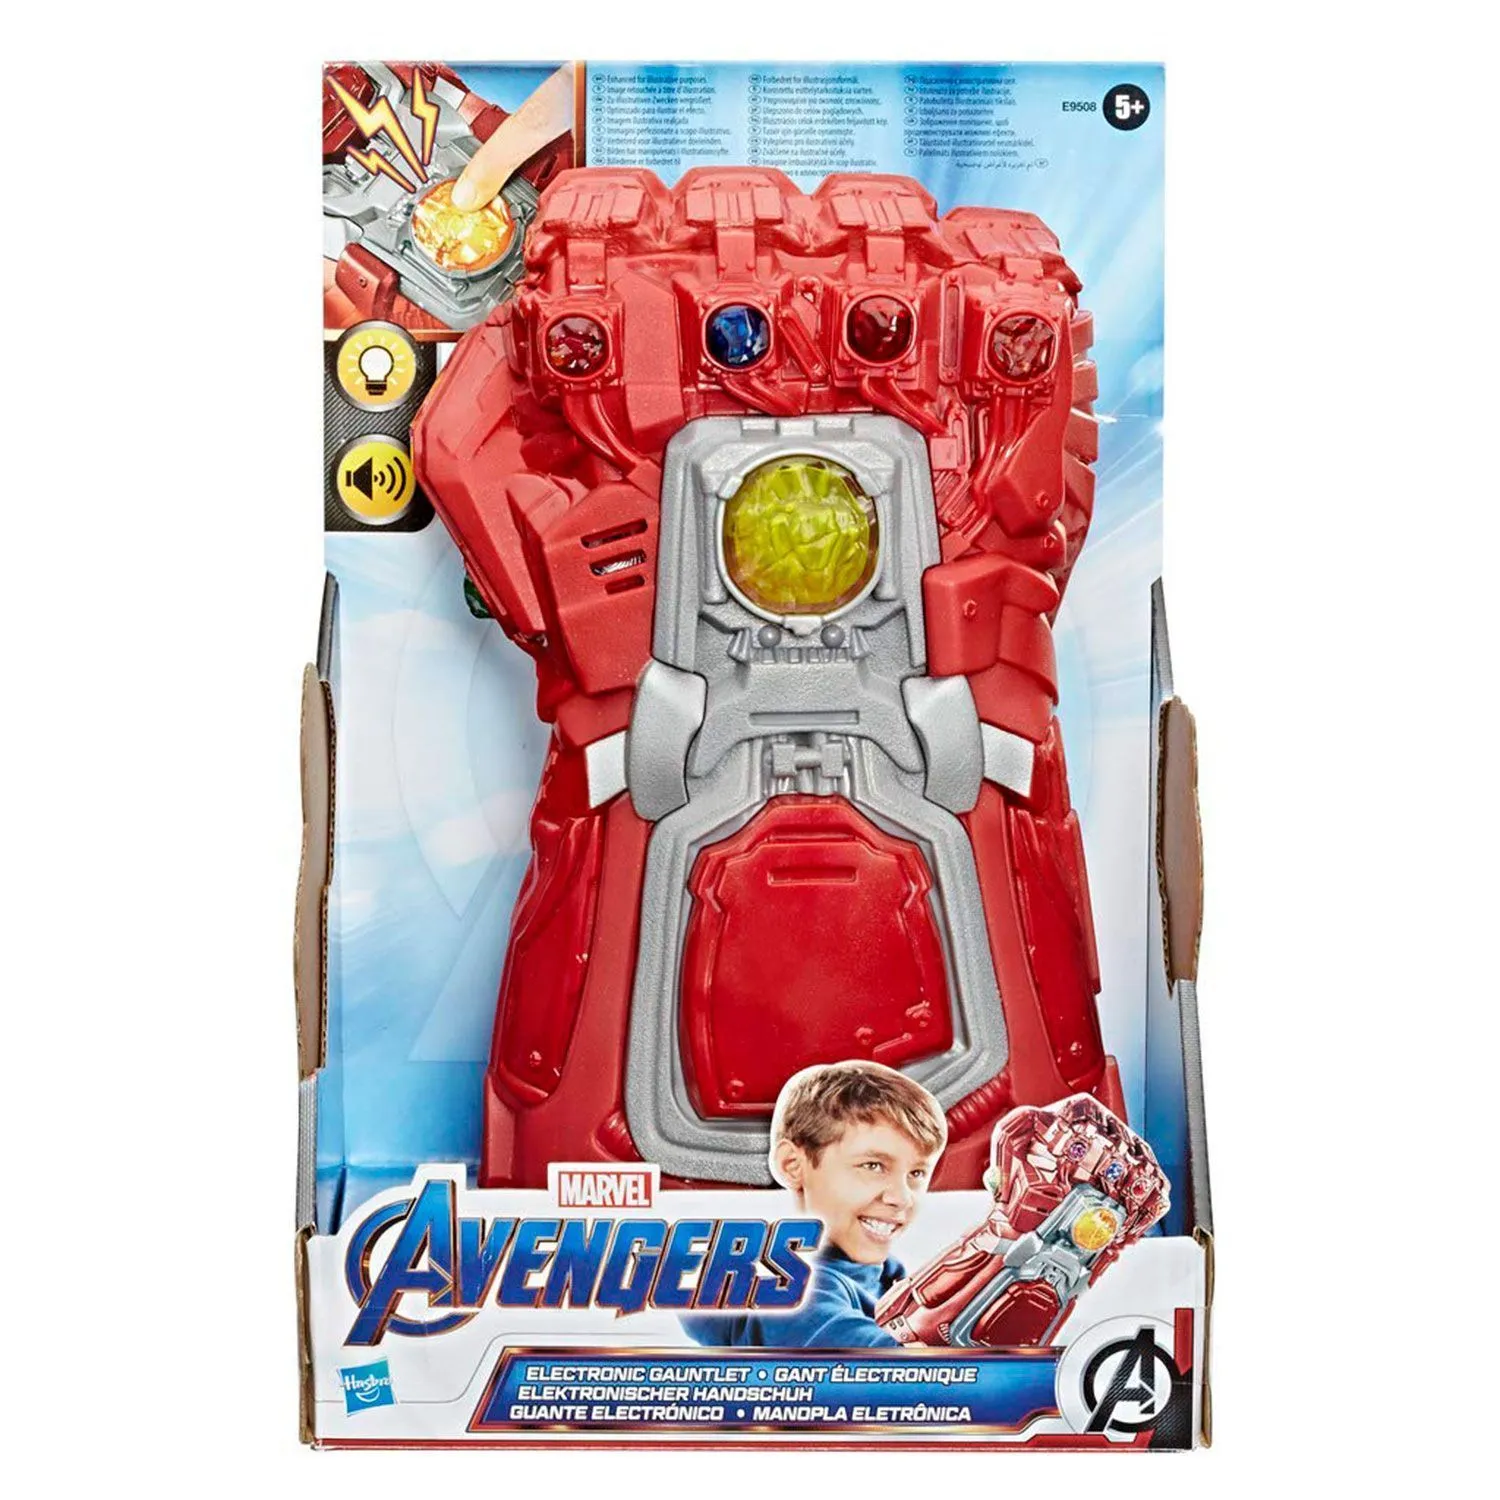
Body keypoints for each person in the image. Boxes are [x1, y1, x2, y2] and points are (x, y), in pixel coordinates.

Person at [684, 1060, 946, 1348]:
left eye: (916, 1173)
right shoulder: (794, 1293)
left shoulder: (882, 1274)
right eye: (873, 1166)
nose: (902, 1197)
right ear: (792, 1165)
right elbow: (896, 1365)